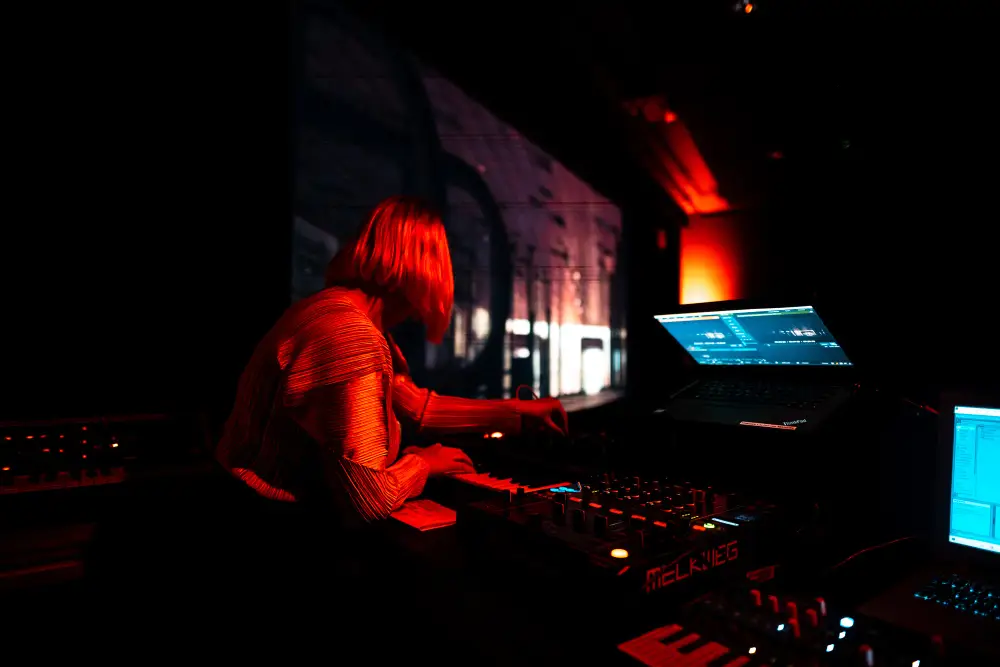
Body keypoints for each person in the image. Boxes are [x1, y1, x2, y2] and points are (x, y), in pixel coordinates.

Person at [215, 196, 568, 523]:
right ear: (426, 268)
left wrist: (518, 412)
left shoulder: (336, 313)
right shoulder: (350, 336)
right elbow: (369, 500)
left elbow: (417, 407)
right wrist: (423, 463)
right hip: (281, 533)